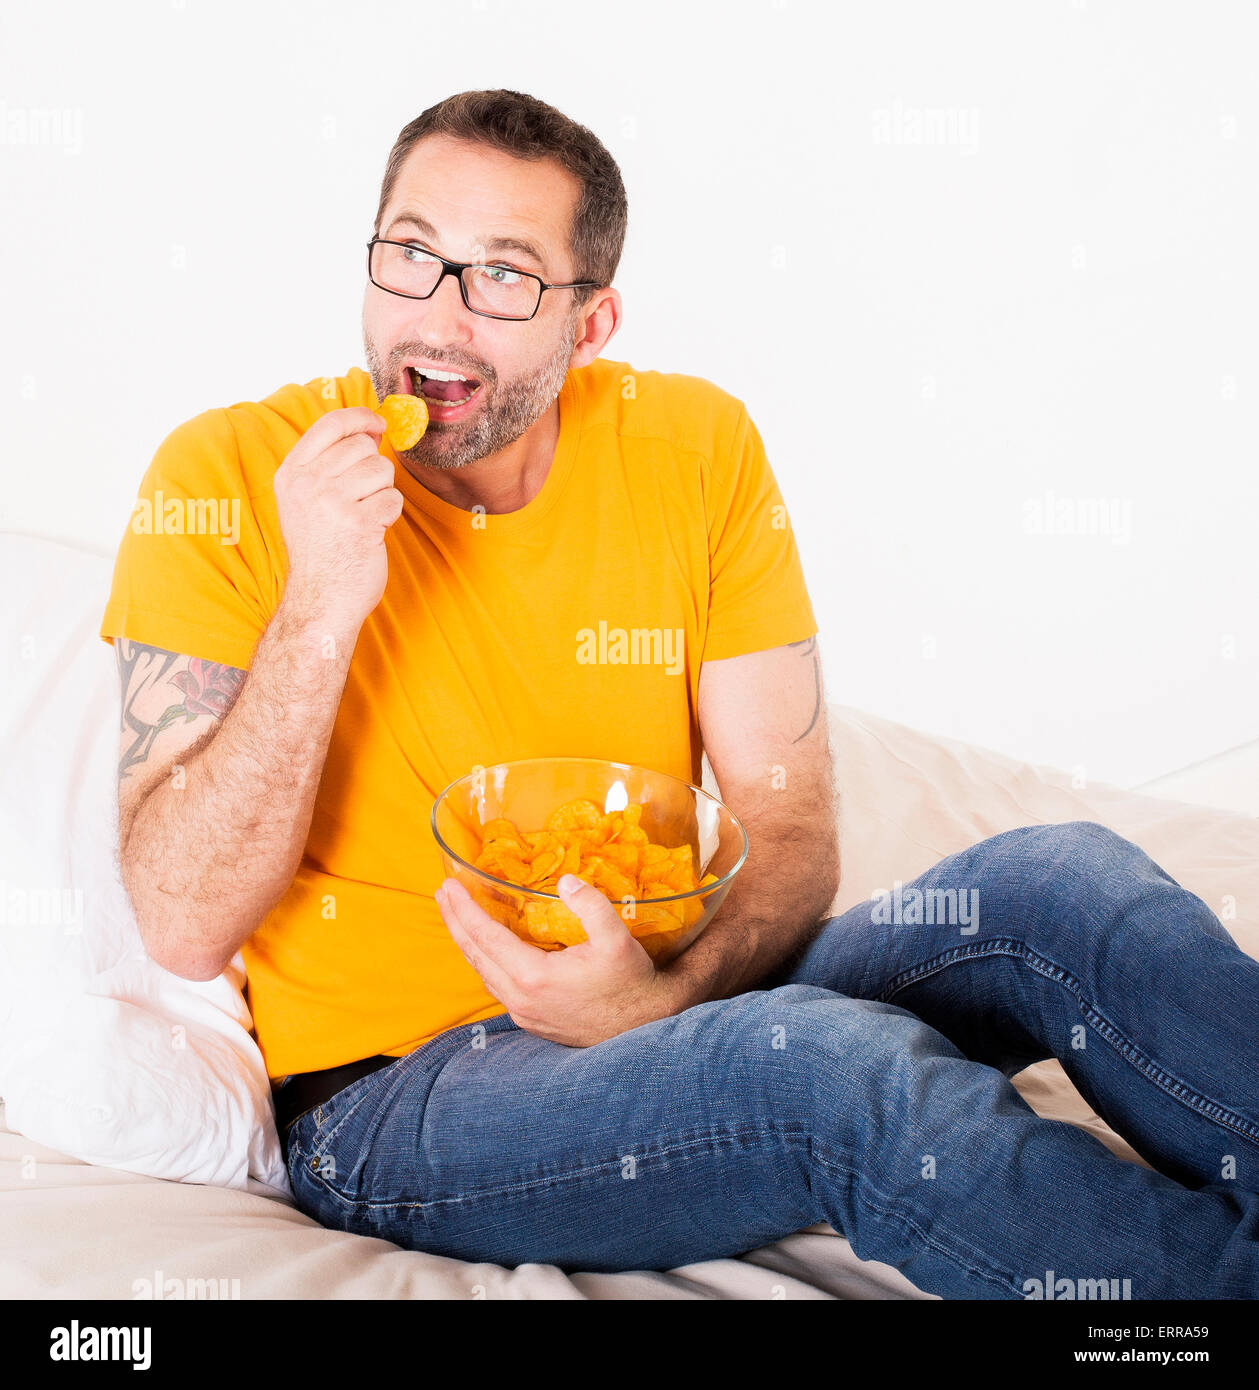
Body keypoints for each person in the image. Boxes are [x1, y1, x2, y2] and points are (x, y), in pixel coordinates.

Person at [100, 89, 1259, 1299]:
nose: (438, 317)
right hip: (401, 1093)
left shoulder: (693, 445)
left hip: (681, 996)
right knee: (828, 1072)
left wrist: (657, 996)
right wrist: (318, 604)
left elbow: (793, 827)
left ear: (589, 322)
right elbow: (181, 917)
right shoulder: (227, 475)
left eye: (503, 275)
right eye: (411, 252)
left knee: (1056, 883)